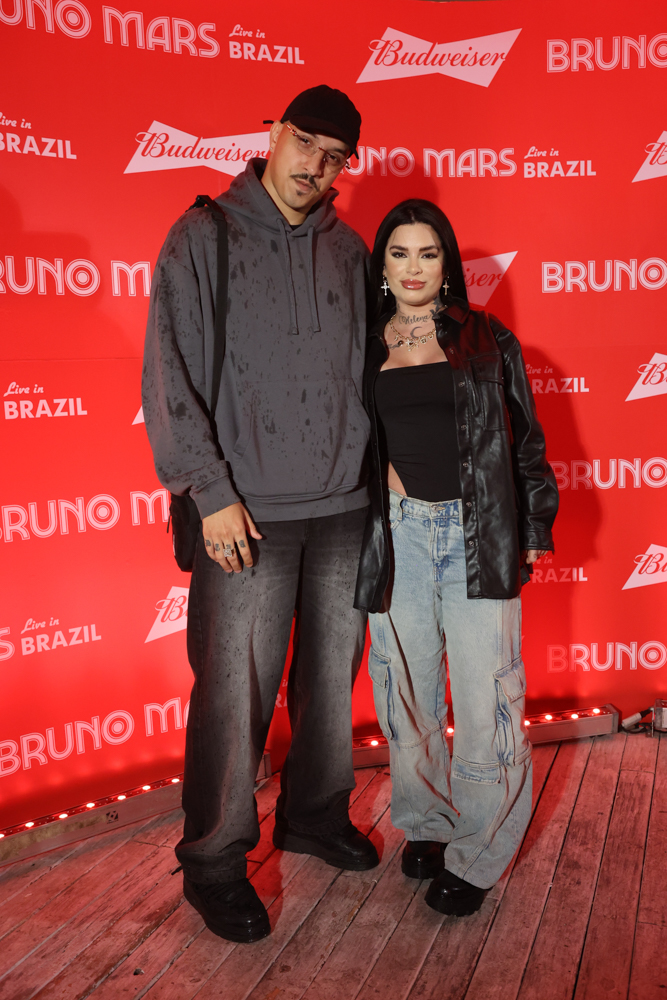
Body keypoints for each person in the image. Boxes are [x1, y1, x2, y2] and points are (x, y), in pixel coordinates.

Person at [142, 85, 378, 945]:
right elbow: (168, 372)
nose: (317, 164)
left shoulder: (350, 250)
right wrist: (208, 493)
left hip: (344, 505)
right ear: (273, 134)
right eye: (305, 142)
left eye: (335, 155)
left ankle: (313, 815)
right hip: (246, 513)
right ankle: (213, 861)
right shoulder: (203, 235)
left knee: (328, 682)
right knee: (232, 694)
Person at [354, 199, 559, 916]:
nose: (413, 268)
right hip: (396, 534)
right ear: (381, 265)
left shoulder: (486, 338)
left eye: (428, 252)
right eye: (399, 253)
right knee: (404, 694)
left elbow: (525, 437)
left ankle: (478, 853)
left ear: (446, 265)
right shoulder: (359, 344)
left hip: (477, 532)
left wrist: (533, 525)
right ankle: (428, 823)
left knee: (486, 700)